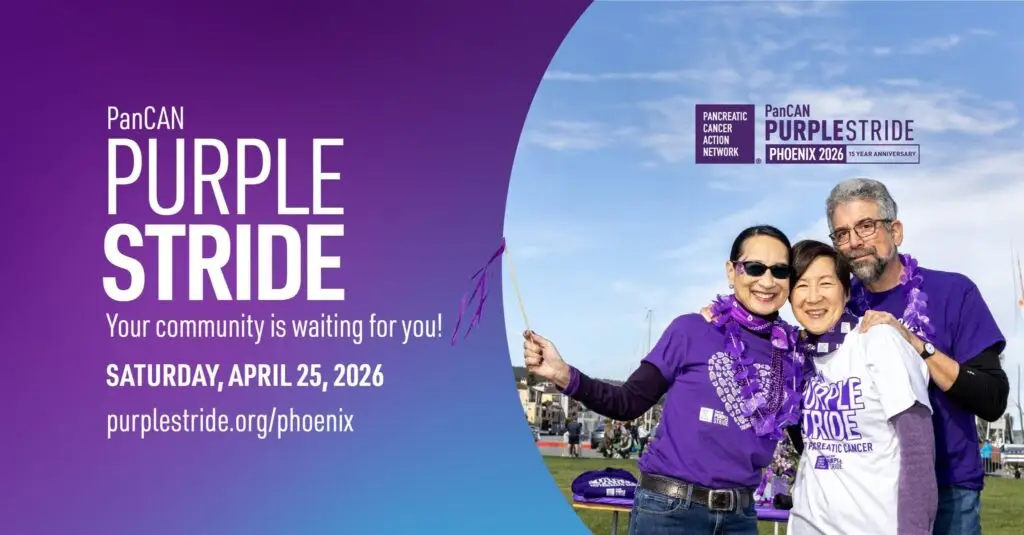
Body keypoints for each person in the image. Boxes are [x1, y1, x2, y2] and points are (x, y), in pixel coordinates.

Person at [523, 225, 804, 535]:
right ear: (731, 271)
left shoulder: (793, 354)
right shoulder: (691, 330)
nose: (767, 281)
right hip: (669, 512)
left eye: (779, 271)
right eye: (754, 267)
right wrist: (563, 374)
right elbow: (627, 402)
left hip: (740, 517)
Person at [826, 178, 1008, 535]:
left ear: (896, 230)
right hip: (865, 491)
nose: (854, 242)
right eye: (842, 233)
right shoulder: (838, 311)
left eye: (865, 226)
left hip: (948, 489)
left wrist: (915, 343)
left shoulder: (953, 292)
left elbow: (992, 398)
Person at [783, 239, 937, 535]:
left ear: (847, 290)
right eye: (801, 285)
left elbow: (918, 453)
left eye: (825, 283)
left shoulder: (878, 340)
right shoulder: (794, 356)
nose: (813, 297)